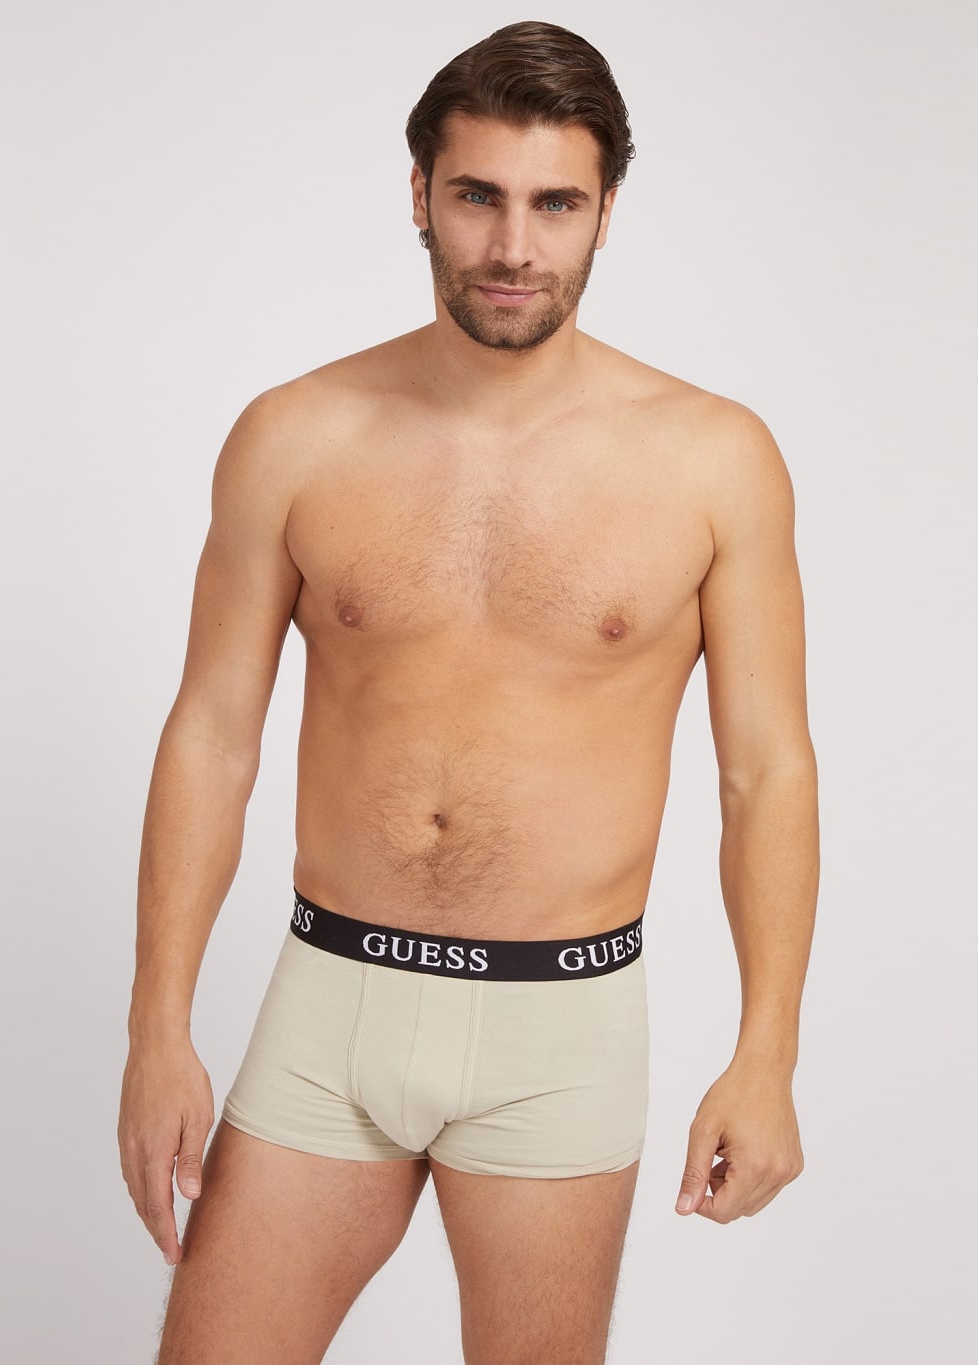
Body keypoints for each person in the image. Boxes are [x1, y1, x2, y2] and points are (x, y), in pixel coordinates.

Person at [118, 19, 818, 1364]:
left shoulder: (715, 460)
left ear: (606, 210)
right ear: (420, 195)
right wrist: (157, 1030)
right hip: (332, 1001)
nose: (512, 247)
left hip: (562, 1027)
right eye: (478, 196)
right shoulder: (295, 434)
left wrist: (767, 1054)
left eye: (556, 204)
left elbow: (765, 771)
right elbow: (211, 735)